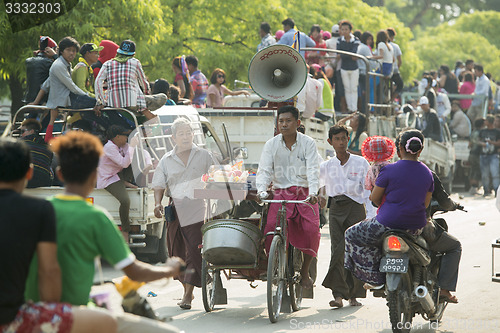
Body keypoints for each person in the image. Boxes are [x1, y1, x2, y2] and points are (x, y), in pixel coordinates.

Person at [23, 131, 184, 333]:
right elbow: (134, 271)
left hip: (29, 315)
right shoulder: (95, 217)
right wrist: (170, 268)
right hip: (68, 317)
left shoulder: (35, 212)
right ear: (94, 175)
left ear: (60, 174)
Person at [0, 137, 117, 333]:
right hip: (13, 318)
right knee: (108, 322)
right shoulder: (39, 210)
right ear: (29, 173)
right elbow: (49, 271)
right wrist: (53, 313)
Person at [344, 129, 434, 289]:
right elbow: (425, 204)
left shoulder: (389, 170)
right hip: (415, 227)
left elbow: (374, 198)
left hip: (386, 223)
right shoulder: (427, 173)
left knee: (351, 234)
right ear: (420, 149)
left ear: (399, 147)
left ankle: (373, 277)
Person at [152, 118, 217, 310]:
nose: (186, 136)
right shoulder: (166, 160)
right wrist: (157, 203)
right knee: (176, 250)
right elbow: (158, 184)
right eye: (181, 133)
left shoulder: (204, 155)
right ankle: (187, 285)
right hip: (175, 209)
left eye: (189, 132)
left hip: (197, 206)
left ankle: (188, 294)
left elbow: (215, 177)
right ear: (173, 138)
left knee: (193, 250)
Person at [256, 105, 321, 290]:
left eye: (288, 121)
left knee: (311, 230)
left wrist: (314, 193)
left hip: (305, 193)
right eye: (281, 121)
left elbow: (313, 170)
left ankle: (306, 271)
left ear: (297, 123)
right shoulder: (271, 144)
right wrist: (261, 190)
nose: (284, 124)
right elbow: (264, 170)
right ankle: (275, 266)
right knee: (270, 229)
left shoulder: (308, 143)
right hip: (280, 193)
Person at [319, 124, 369, 308]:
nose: (341, 142)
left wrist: (370, 214)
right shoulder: (326, 165)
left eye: (344, 138)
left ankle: (354, 295)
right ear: (330, 142)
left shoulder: (360, 162)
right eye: (337, 139)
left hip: (356, 208)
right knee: (337, 250)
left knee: (354, 251)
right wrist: (320, 197)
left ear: (348, 139)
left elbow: (368, 188)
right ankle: (338, 295)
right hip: (336, 209)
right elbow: (319, 185)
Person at [95, 40, 166, 121]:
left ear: (118, 52)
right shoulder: (135, 63)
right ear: (133, 54)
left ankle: (145, 114)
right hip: (133, 101)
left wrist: (101, 102)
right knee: (163, 97)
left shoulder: (107, 64)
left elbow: (98, 82)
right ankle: (147, 115)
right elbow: (144, 83)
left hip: (113, 102)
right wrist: (146, 93)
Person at [32, 36, 98, 111]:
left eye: (74, 51)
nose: (71, 53)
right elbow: (72, 87)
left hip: (64, 100)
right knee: (98, 103)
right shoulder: (59, 65)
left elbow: (46, 84)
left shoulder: (67, 64)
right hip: (64, 101)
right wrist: (88, 96)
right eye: (68, 50)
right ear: (62, 51)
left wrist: (35, 102)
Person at [96, 125, 135, 240]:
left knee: (135, 156)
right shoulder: (109, 147)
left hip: (117, 174)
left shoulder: (122, 145)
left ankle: (125, 181)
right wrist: (132, 146)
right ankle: (125, 230)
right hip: (108, 178)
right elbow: (124, 164)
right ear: (117, 137)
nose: (127, 138)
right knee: (125, 200)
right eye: (125, 136)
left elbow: (131, 156)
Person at [20, 118, 54, 188]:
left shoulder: (20, 143)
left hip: (25, 180)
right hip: (43, 182)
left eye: (22, 131)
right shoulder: (47, 147)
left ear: (31, 131)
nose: (21, 134)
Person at [24, 36, 58, 105]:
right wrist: (55, 56)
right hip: (44, 101)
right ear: (50, 50)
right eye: (56, 49)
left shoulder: (29, 61)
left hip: (29, 99)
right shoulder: (50, 63)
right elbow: (62, 67)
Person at [336, 20, 360, 113]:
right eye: (343, 29)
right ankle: (350, 108)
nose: (344, 31)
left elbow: (354, 54)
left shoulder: (356, 40)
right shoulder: (339, 40)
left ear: (350, 30)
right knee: (346, 88)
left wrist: (344, 54)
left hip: (354, 68)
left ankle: (354, 108)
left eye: (346, 29)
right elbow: (339, 53)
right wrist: (348, 55)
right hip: (344, 68)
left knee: (354, 88)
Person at [478, 115, 500, 197]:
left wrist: (491, 142)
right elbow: (478, 140)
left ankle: (496, 191)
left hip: (494, 155)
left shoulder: (497, 132)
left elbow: (499, 142)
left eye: (486, 120)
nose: (485, 122)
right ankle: (486, 190)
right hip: (483, 155)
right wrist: (482, 144)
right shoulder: (482, 131)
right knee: (485, 175)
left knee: (495, 174)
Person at [469, 118, 485, 195]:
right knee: (477, 171)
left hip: (471, 153)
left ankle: (472, 188)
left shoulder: (473, 132)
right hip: (477, 154)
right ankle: (474, 188)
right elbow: (477, 143)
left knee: (473, 170)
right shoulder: (480, 132)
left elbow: (470, 144)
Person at [387, 28, 403, 98]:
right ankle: (392, 98)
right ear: (392, 37)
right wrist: (397, 68)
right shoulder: (396, 46)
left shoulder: (381, 45)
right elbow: (399, 61)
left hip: (385, 69)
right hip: (394, 71)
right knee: (400, 85)